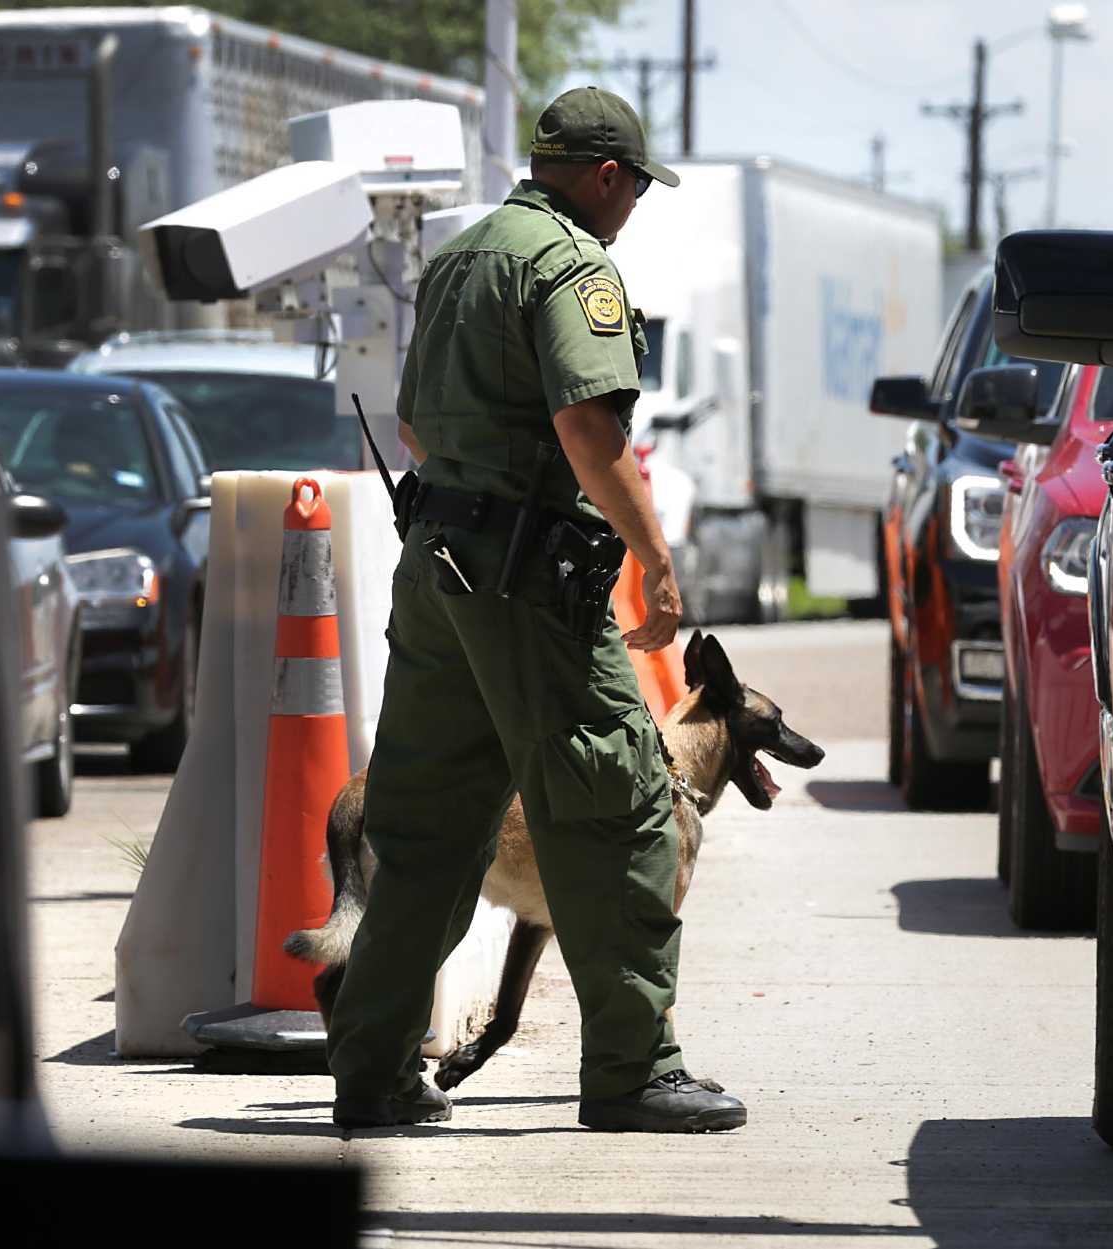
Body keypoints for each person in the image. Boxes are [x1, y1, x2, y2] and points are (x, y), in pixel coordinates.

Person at [325, 86, 744, 1134]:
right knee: (621, 810)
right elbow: (588, 432)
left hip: (437, 571)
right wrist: (652, 557)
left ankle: (371, 1075)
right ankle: (633, 1072)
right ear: (604, 174)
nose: (636, 204)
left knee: (422, 829)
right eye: (636, 185)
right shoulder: (569, 263)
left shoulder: (464, 255)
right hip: (527, 585)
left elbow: (415, 420)